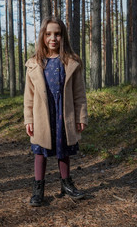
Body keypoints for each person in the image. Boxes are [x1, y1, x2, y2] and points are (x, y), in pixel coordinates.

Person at [23, 16, 88, 207]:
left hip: (63, 114)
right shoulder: (35, 63)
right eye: (49, 34)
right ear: (43, 36)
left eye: (57, 34)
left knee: (64, 149)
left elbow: (79, 94)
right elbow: (29, 96)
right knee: (40, 151)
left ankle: (66, 184)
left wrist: (81, 116)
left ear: (63, 36)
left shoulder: (70, 62)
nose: (53, 38)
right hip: (42, 115)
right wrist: (29, 119)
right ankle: (38, 188)